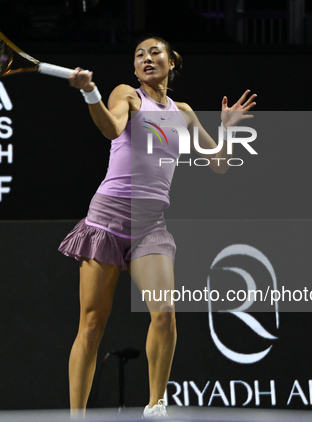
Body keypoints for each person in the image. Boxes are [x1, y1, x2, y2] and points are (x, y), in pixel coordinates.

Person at [59, 36, 256, 418]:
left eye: (155, 53)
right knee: (93, 323)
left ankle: (155, 405)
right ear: (134, 69)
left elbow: (218, 163)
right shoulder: (126, 95)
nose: (147, 58)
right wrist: (90, 94)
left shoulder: (183, 112)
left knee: (164, 313)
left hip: (150, 226)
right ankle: (76, 417)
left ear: (171, 62)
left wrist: (227, 129)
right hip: (108, 220)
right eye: (139, 55)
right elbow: (112, 128)